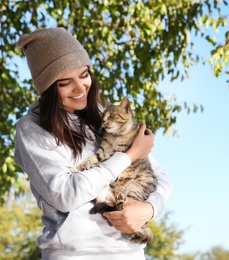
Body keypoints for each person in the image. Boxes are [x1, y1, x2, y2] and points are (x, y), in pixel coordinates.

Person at [14, 27, 172, 259]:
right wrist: (127, 156)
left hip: (131, 253)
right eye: (65, 82)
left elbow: (161, 178)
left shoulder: (105, 116)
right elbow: (65, 195)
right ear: (47, 87)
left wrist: (149, 209)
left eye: (84, 74)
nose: (80, 88)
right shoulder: (32, 129)